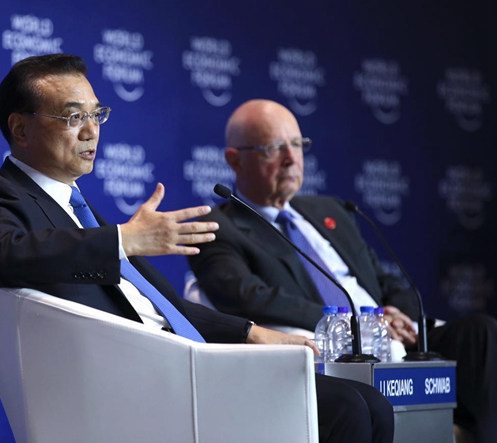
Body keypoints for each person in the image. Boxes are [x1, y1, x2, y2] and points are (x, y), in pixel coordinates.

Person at [0, 54, 394, 443]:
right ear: (20, 129)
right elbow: (1, 254)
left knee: (373, 404)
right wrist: (123, 239)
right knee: (348, 409)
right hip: (144, 384)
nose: (92, 131)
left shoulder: (79, 208)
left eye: (96, 114)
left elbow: (162, 307)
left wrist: (250, 332)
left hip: (190, 363)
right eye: (73, 117)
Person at [188, 98, 497, 443]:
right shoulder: (218, 228)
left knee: (479, 333)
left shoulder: (329, 210)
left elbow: (387, 281)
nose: (292, 158)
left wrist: (393, 315)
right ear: (235, 160)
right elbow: (246, 297)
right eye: (274, 148)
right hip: (335, 350)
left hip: (391, 336)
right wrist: (354, 323)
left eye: (297, 144)